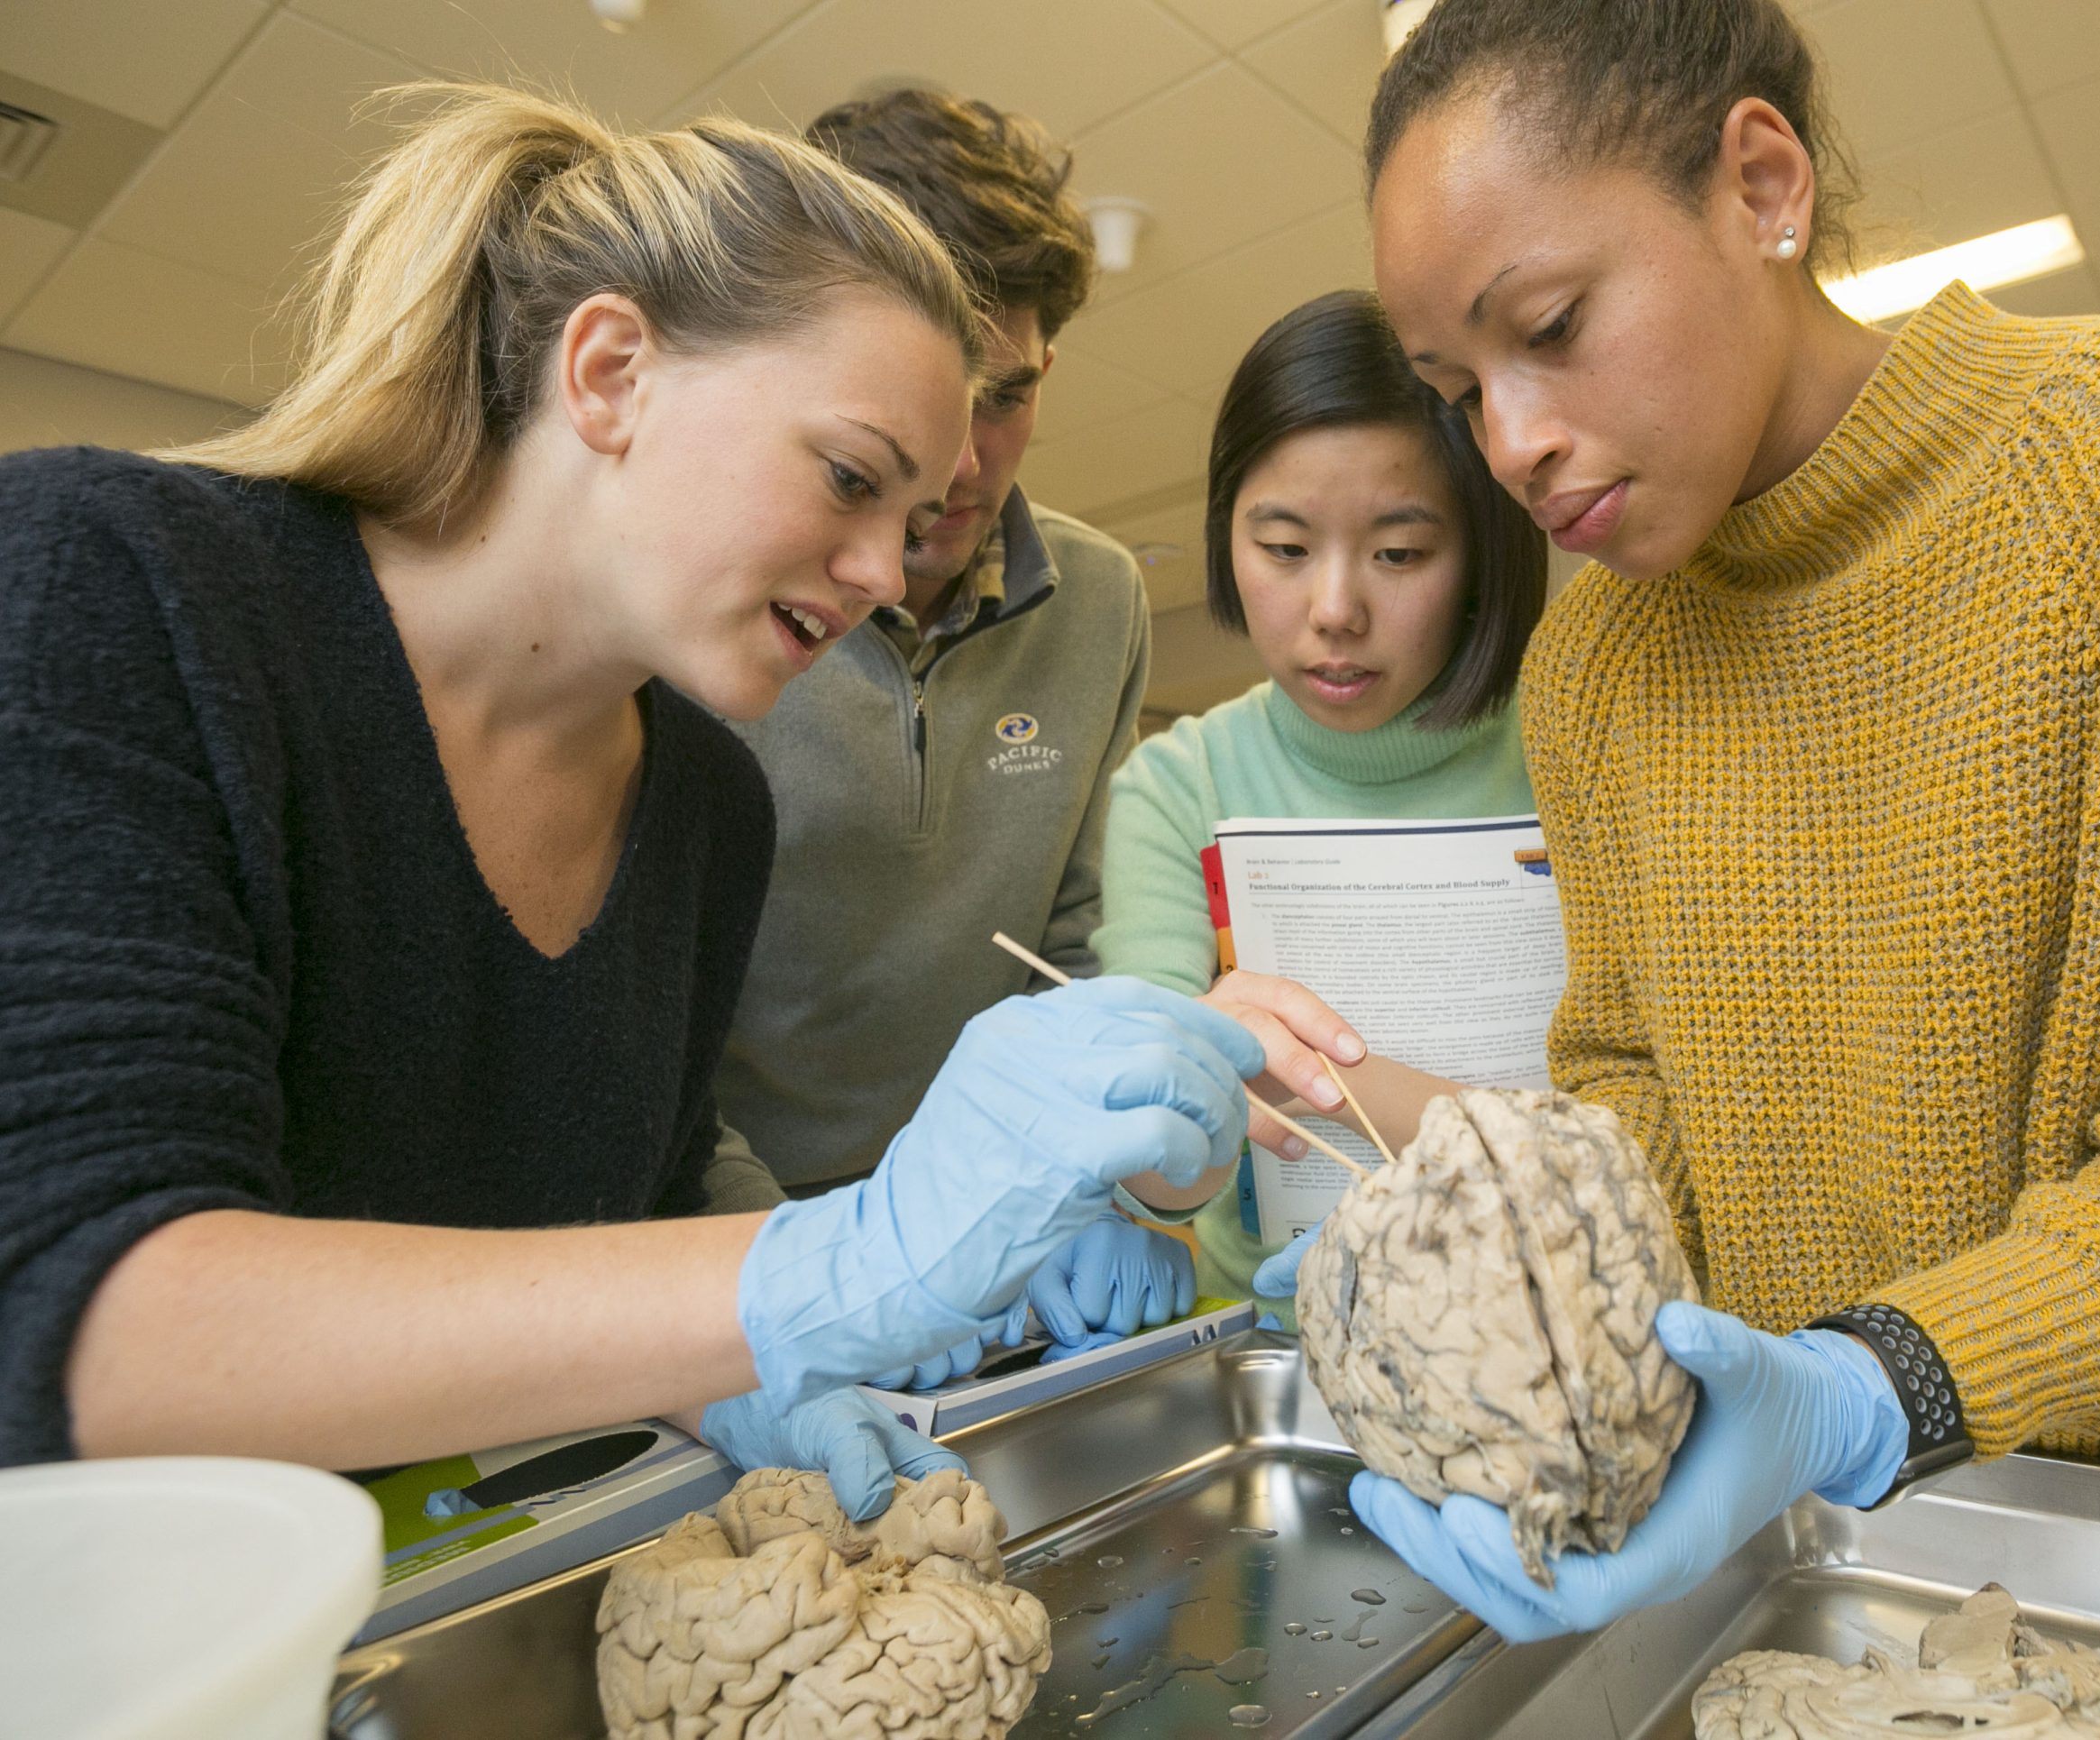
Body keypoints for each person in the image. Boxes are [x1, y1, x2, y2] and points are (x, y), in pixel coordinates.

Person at [0, 84, 1270, 1523]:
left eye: (906, 519)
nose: (876, 574)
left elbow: (641, 1206)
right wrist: (832, 1264)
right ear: (608, 371)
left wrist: (746, 1365)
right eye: (850, 479)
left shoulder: (706, 801)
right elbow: (90, 1321)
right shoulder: (113, 586)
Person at [1252, 0, 2100, 1641]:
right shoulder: (1593, 660)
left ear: (1758, 184)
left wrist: (1874, 1381)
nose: (1511, 443)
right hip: (1823, 1549)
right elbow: (1645, 1106)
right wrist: (1487, 1247)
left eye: (1551, 323)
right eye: (1460, 388)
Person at [707, 87, 1187, 1385]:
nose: (966, 462)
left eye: (1009, 397)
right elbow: (648, 1031)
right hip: (732, 1245)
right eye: (926, 401)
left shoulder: (1100, 601)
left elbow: (1074, 942)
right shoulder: (719, 599)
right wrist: (821, 1270)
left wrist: (1091, 1187)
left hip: (993, 1219)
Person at [1089, 289, 1542, 1313]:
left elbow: (1623, 1138)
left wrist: (1279, 1068)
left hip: (1537, 1313)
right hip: (1273, 1333)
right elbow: (1157, 1174)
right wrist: (1154, 1128)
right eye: (1284, 549)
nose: (1334, 611)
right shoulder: (1180, 782)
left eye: (1398, 554)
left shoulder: (1570, 744)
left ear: (1482, 552)